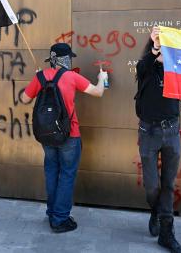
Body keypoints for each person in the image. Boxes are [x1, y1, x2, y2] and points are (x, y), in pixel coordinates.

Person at [21, 43, 108, 233]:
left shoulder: (40, 76)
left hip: (46, 135)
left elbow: (24, 99)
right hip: (70, 135)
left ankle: (52, 211)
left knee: (51, 171)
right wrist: (102, 78)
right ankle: (60, 219)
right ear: (65, 59)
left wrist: (38, 80)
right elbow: (98, 92)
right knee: (67, 175)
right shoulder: (71, 76)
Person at [135, 26, 181, 253]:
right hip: (149, 132)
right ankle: (155, 210)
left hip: (171, 133)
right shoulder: (146, 68)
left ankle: (167, 232)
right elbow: (142, 66)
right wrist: (156, 46)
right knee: (152, 186)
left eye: (167, 48)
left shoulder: (177, 72)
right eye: (160, 49)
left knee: (168, 184)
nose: (164, 53)